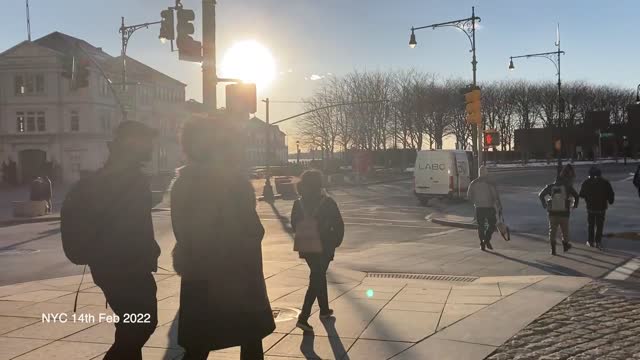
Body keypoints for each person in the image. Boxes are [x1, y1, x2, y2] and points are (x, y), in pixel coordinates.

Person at [170, 117, 275, 360]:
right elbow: (251, 230)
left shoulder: (183, 183)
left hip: (199, 272)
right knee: (250, 338)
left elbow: (182, 231)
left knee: (198, 343)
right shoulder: (232, 182)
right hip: (237, 274)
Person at [88, 121, 161, 360]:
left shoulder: (110, 174)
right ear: (135, 145)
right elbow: (131, 227)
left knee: (131, 327)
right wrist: (148, 254)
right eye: (148, 142)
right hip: (126, 269)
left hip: (113, 267)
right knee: (140, 325)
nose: (151, 147)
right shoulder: (127, 179)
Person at [291, 170, 344, 332]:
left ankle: (324, 310)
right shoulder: (327, 202)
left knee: (318, 275)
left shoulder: (298, 203)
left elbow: (294, 224)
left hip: (306, 245)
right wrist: (335, 242)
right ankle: (303, 318)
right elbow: (339, 225)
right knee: (316, 278)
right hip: (324, 246)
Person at [539, 173, 579, 255]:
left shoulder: (550, 187)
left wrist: (544, 204)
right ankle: (565, 246)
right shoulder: (567, 187)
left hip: (552, 213)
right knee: (565, 230)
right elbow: (576, 196)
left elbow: (541, 195)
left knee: (552, 231)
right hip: (564, 213)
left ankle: (553, 249)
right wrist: (574, 205)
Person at [467, 166, 502, 251]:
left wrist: (475, 202)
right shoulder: (490, 183)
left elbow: (469, 196)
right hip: (489, 207)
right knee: (492, 225)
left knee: (481, 226)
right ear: (486, 172)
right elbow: (495, 196)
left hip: (479, 208)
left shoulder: (473, 183)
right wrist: (498, 205)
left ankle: (482, 242)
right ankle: (486, 240)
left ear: (479, 173)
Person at [579, 166, 614, 250]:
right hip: (601, 207)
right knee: (599, 225)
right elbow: (610, 193)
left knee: (591, 224)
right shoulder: (605, 182)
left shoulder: (586, 182)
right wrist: (610, 200)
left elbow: (581, 194)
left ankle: (590, 241)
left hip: (590, 207)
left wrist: (588, 196)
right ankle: (598, 241)